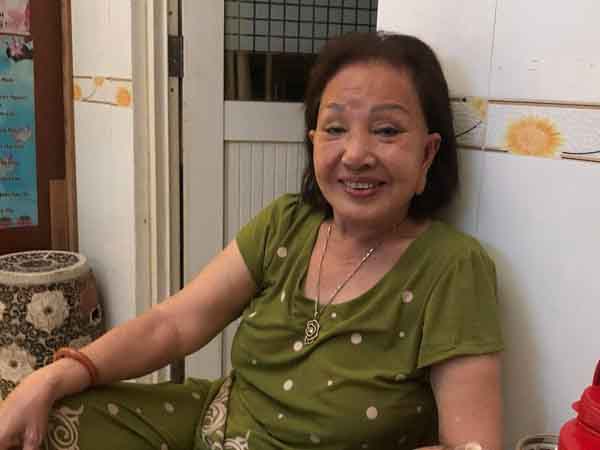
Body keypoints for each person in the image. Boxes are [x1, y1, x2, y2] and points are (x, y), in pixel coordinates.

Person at [0, 32, 503, 450]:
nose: (355, 154)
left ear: (427, 154)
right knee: (43, 418)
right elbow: (173, 325)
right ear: (314, 143)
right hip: (209, 427)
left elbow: (471, 445)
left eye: (387, 131)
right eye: (334, 129)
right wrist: (54, 376)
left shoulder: (452, 266)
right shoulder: (286, 224)